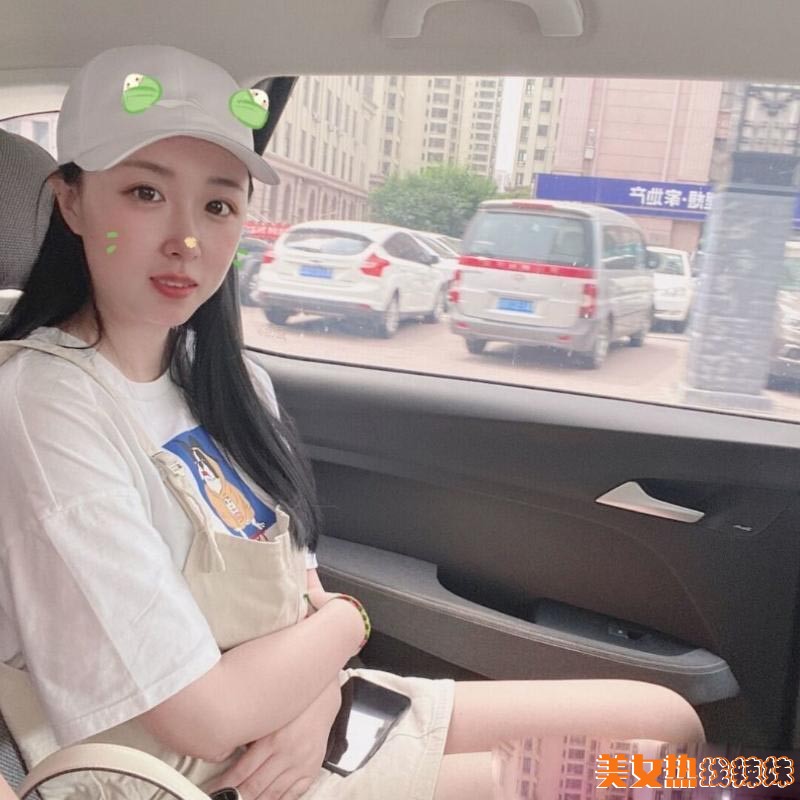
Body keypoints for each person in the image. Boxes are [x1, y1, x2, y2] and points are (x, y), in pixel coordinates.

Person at [0, 45, 705, 800]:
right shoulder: (43, 405)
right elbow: (206, 716)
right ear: (72, 202)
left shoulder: (227, 379)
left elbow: (298, 585)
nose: (188, 240)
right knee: (636, 779)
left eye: (218, 205)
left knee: (669, 725)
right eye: (145, 193)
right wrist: (350, 624)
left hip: (301, 717)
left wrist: (317, 698)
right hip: (191, 775)